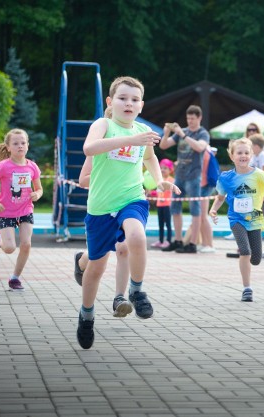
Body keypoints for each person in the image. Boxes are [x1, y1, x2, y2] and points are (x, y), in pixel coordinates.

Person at [76, 76, 180, 349]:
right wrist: (130, 138)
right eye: (122, 98)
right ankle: (86, 314)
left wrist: (159, 181)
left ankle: (136, 290)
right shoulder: (104, 125)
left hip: (132, 198)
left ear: (141, 105)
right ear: (111, 102)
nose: (128, 103)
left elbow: (149, 157)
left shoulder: (142, 131)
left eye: (134, 100)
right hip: (100, 206)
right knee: (96, 268)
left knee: (136, 237)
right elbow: (89, 148)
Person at [209, 137, 264, 302]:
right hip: (236, 219)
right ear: (232, 156)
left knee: (256, 258)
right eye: (239, 153)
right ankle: (247, 288)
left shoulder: (260, 176)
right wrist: (213, 209)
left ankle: (250, 267)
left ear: (252, 154)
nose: (243, 156)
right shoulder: (227, 178)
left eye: (246, 152)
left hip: (254, 220)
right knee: (245, 250)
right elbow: (220, 197)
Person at [0, 129, 42, 290]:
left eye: (23, 143)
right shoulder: (3, 166)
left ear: (27, 146)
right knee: (9, 248)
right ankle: (0, 233)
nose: (20, 146)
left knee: (26, 244)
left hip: (26, 209)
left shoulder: (33, 167)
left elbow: (39, 189)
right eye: (15, 143)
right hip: (6, 211)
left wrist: (37, 194)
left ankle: (15, 278)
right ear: (8, 147)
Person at [72, 155, 133, 318]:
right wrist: (109, 175)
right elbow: (83, 180)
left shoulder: (132, 148)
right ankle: (81, 260)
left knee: (124, 248)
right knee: (98, 259)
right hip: (102, 209)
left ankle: (119, 298)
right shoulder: (97, 149)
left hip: (126, 205)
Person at [159, 105, 210, 254]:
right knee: (175, 208)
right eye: (188, 118)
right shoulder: (184, 131)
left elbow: (200, 148)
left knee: (195, 210)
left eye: (193, 119)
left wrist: (183, 135)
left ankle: (192, 243)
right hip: (180, 176)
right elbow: (164, 145)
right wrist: (167, 132)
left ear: (199, 118)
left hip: (194, 177)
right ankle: (178, 240)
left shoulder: (202, 133)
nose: (190, 121)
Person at [152, 158, 175, 249]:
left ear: (170, 170)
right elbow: (158, 192)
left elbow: (171, 191)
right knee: (160, 224)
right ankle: (161, 241)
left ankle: (168, 241)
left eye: (165, 168)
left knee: (168, 224)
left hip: (167, 205)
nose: (162, 170)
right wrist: (151, 193)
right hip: (159, 205)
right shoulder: (159, 180)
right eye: (161, 168)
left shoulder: (171, 180)